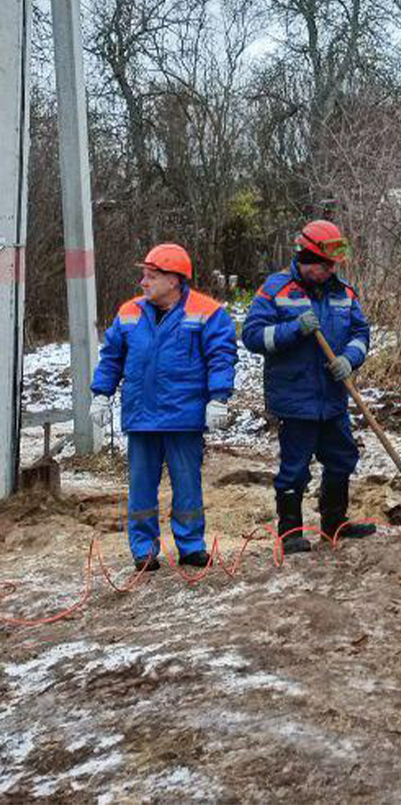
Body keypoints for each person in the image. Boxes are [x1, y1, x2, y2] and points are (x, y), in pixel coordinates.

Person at [89, 243, 237, 571]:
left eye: (151, 276)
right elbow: (112, 357)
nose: (143, 282)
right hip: (141, 417)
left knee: (187, 484)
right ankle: (143, 550)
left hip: (184, 417)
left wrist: (219, 398)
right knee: (141, 486)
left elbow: (222, 357)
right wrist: (101, 393)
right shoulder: (129, 313)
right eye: (144, 275)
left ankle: (191, 546)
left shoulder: (208, 312)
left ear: (174, 280)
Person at [241, 219, 376, 554]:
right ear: (306, 259)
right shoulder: (276, 290)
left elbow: (361, 334)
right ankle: (291, 532)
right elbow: (252, 336)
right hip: (294, 397)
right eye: (324, 266)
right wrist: (293, 329)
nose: (330, 272)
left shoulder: (344, 294)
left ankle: (334, 523)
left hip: (332, 398)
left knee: (342, 457)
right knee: (295, 467)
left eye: (333, 267)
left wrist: (349, 359)